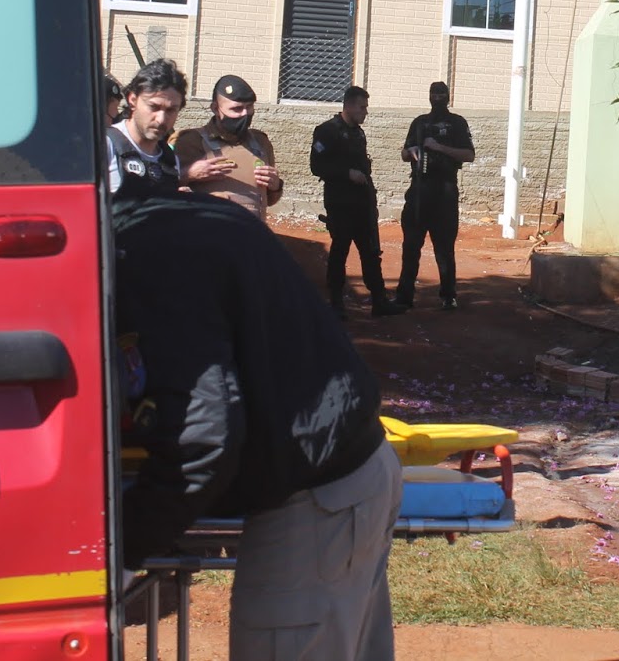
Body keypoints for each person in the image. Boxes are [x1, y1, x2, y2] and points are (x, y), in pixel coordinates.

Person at [113, 190, 402, 660]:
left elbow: (200, 442)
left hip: (316, 504)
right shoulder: (179, 216)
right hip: (353, 480)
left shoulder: (145, 260)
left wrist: (120, 555)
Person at [311, 86, 404, 318]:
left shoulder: (358, 133)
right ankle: (336, 302)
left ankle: (379, 300)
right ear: (350, 106)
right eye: (362, 107)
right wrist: (346, 173)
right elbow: (317, 166)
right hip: (340, 203)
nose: (365, 112)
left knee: (370, 251)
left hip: (362, 203)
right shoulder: (327, 131)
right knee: (340, 250)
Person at [393, 81, 474, 311]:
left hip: (444, 191)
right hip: (419, 190)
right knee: (411, 246)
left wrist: (439, 147)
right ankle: (404, 296)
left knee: (444, 248)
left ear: (448, 96)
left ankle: (448, 295)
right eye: (433, 94)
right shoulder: (420, 122)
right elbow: (404, 153)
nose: (437, 98)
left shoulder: (457, 123)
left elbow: (469, 155)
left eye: (441, 94)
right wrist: (411, 152)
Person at [174, 74, 283, 221]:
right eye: (237, 109)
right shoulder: (190, 141)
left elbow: (269, 200)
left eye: (249, 107)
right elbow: (163, 189)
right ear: (215, 108)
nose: (245, 114)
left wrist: (276, 186)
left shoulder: (260, 142)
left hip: (252, 231)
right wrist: (189, 174)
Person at [106, 59, 185, 198]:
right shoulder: (105, 144)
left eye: (171, 110)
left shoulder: (170, 159)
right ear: (133, 100)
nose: (161, 119)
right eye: (154, 107)